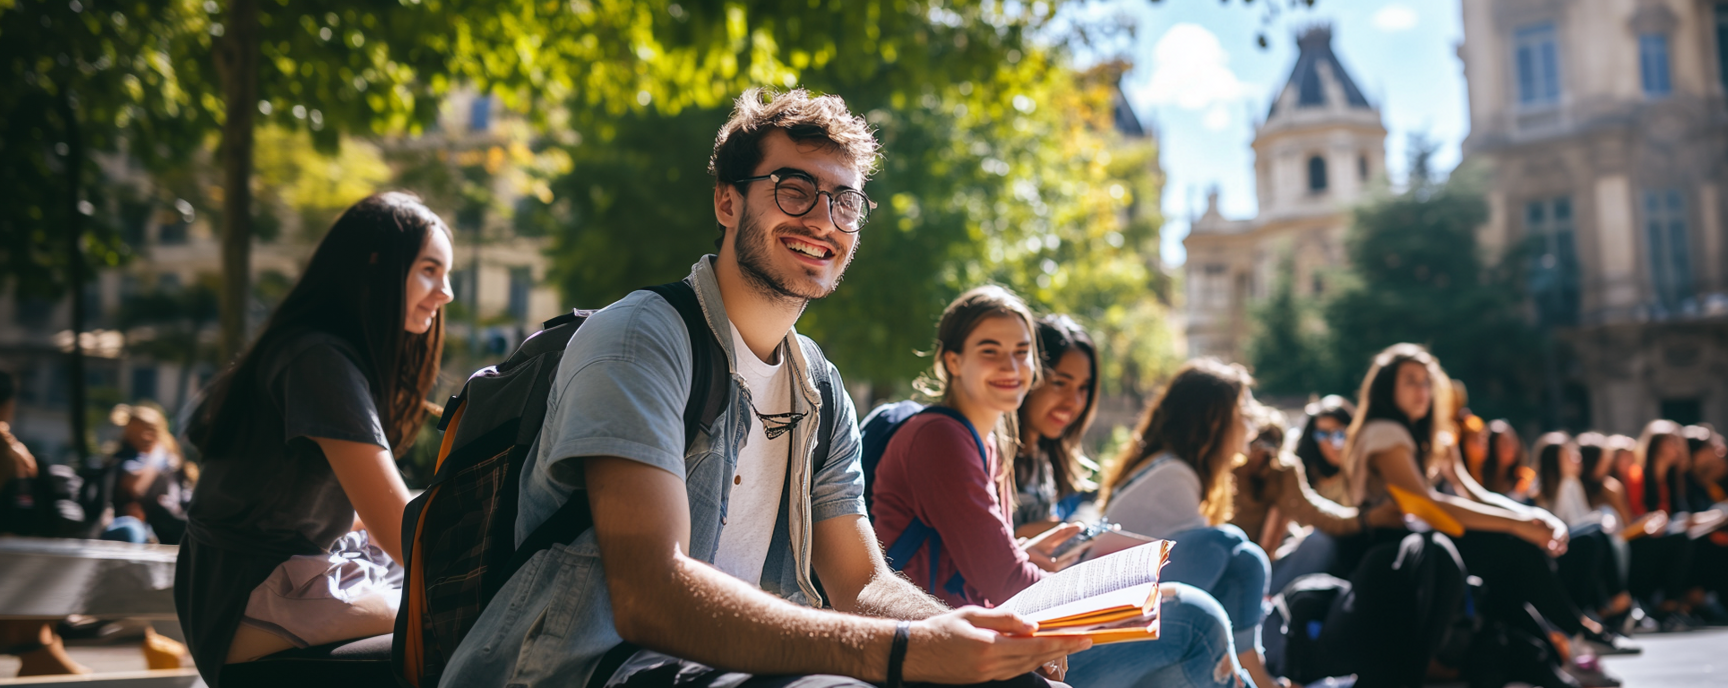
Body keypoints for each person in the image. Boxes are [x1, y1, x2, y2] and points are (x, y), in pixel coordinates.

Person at [442, 89, 1088, 688]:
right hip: (582, 668)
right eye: (793, 189)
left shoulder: (820, 387)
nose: (823, 220)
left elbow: (861, 583)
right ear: (728, 201)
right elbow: (651, 595)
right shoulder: (642, 339)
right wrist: (901, 652)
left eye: (844, 202)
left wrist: (965, 634)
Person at [872, 288, 1245, 688]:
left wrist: (1022, 553)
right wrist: (1110, 603)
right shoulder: (941, 437)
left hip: (981, 636)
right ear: (953, 361)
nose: (1010, 366)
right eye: (990, 351)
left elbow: (981, 564)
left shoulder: (987, 442)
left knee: (1184, 618)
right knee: (1194, 618)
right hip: (939, 651)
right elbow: (1005, 581)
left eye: (1021, 352)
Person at [175, 192, 455, 684]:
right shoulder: (319, 360)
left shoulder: (317, 352)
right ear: (376, 267)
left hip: (258, 591)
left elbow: (371, 519)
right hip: (252, 602)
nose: (446, 292)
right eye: (430, 270)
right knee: (467, 628)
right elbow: (397, 530)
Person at [1336, 344, 1619, 686]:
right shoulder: (1384, 432)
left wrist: (1536, 519)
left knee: (1508, 568)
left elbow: (1473, 492)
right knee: (1510, 550)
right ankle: (1573, 632)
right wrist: (1519, 524)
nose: (1422, 391)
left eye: (1427, 382)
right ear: (1386, 387)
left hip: (1427, 540)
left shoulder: (1429, 434)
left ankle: (1555, 652)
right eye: (1410, 381)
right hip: (1394, 550)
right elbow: (1426, 504)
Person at [1097, 358, 1281, 688]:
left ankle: (1249, 666)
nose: (1251, 422)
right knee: (1230, 545)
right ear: (1213, 421)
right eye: (1242, 412)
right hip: (1117, 616)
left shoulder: (1169, 466)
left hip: (1132, 606)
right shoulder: (1174, 475)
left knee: (1243, 558)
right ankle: (1251, 667)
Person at [1531, 433, 1634, 637]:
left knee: (1597, 536)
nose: (1577, 460)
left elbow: (1581, 519)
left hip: (1569, 544)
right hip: (1554, 552)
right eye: (1570, 455)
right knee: (1593, 538)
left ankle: (1607, 604)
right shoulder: (1539, 491)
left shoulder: (1572, 484)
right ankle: (1613, 601)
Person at [1011, 315, 1099, 538]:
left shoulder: (1044, 458)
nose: (1074, 402)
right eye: (1060, 383)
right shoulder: (989, 455)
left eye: (1083, 388)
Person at [106, 403, 196, 545]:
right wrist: (156, 457)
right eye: (135, 432)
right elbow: (136, 488)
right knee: (130, 530)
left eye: (148, 431)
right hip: (135, 528)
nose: (143, 437)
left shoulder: (173, 464)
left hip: (169, 527)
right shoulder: (121, 459)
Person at [1294, 395, 1354, 506]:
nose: (1332, 443)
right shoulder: (1303, 472)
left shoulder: (1366, 471)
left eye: (1339, 434)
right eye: (1323, 434)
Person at [1479, 419, 1534, 503]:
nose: (1511, 448)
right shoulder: (1479, 476)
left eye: (1512, 441)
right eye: (1504, 443)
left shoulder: (1524, 478)